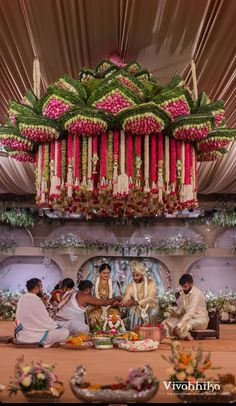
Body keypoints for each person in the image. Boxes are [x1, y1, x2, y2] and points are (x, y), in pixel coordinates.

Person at [14, 278, 69, 347]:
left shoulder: (22, 298)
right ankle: (47, 344)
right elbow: (45, 320)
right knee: (65, 332)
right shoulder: (36, 299)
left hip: (21, 335)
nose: (42, 290)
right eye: (41, 287)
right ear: (37, 287)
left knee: (59, 328)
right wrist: (55, 326)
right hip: (34, 336)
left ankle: (49, 343)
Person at [55, 279, 122, 333]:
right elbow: (104, 302)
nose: (91, 291)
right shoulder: (85, 296)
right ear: (88, 289)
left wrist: (114, 302)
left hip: (58, 321)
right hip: (64, 323)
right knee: (85, 328)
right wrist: (116, 298)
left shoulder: (75, 293)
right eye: (91, 289)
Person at [162, 274, 209, 341]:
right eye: (182, 286)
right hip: (188, 319)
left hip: (200, 320)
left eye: (185, 286)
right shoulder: (184, 293)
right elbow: (183, 308)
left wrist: (179, 324)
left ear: (192, 284)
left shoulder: (196, 294)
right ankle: (182, 334)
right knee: (167, 322)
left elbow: (190, 312)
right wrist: (175, 313)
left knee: (183, 325)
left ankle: (185, 334)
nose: (183, 288)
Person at [121, 262, 158, 329]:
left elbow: (150, 297)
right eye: (133, 275)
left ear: (142, 274)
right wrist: (123, 303)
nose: (135, 278)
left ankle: (151, 335)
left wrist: (136, 302)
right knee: (132, 312)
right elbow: (127, 298)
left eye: (137, 275)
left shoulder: (151, 283)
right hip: (136, 307)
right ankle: (133, 333)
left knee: (153, 312)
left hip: (150, 305)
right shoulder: (130, 286)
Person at [86, 263, 121, 330]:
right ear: (99, 273)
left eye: (108, 273)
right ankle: (96, 333)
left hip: (111, 306)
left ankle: (112, 333)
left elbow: (117, 297)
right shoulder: (93, 283)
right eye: (104, 273)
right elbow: (90, 297)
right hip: (96, 306)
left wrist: (112, 304)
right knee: (94, 315)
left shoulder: (114, 284)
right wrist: (98, 304)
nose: (106, 275)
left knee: (114, 315)